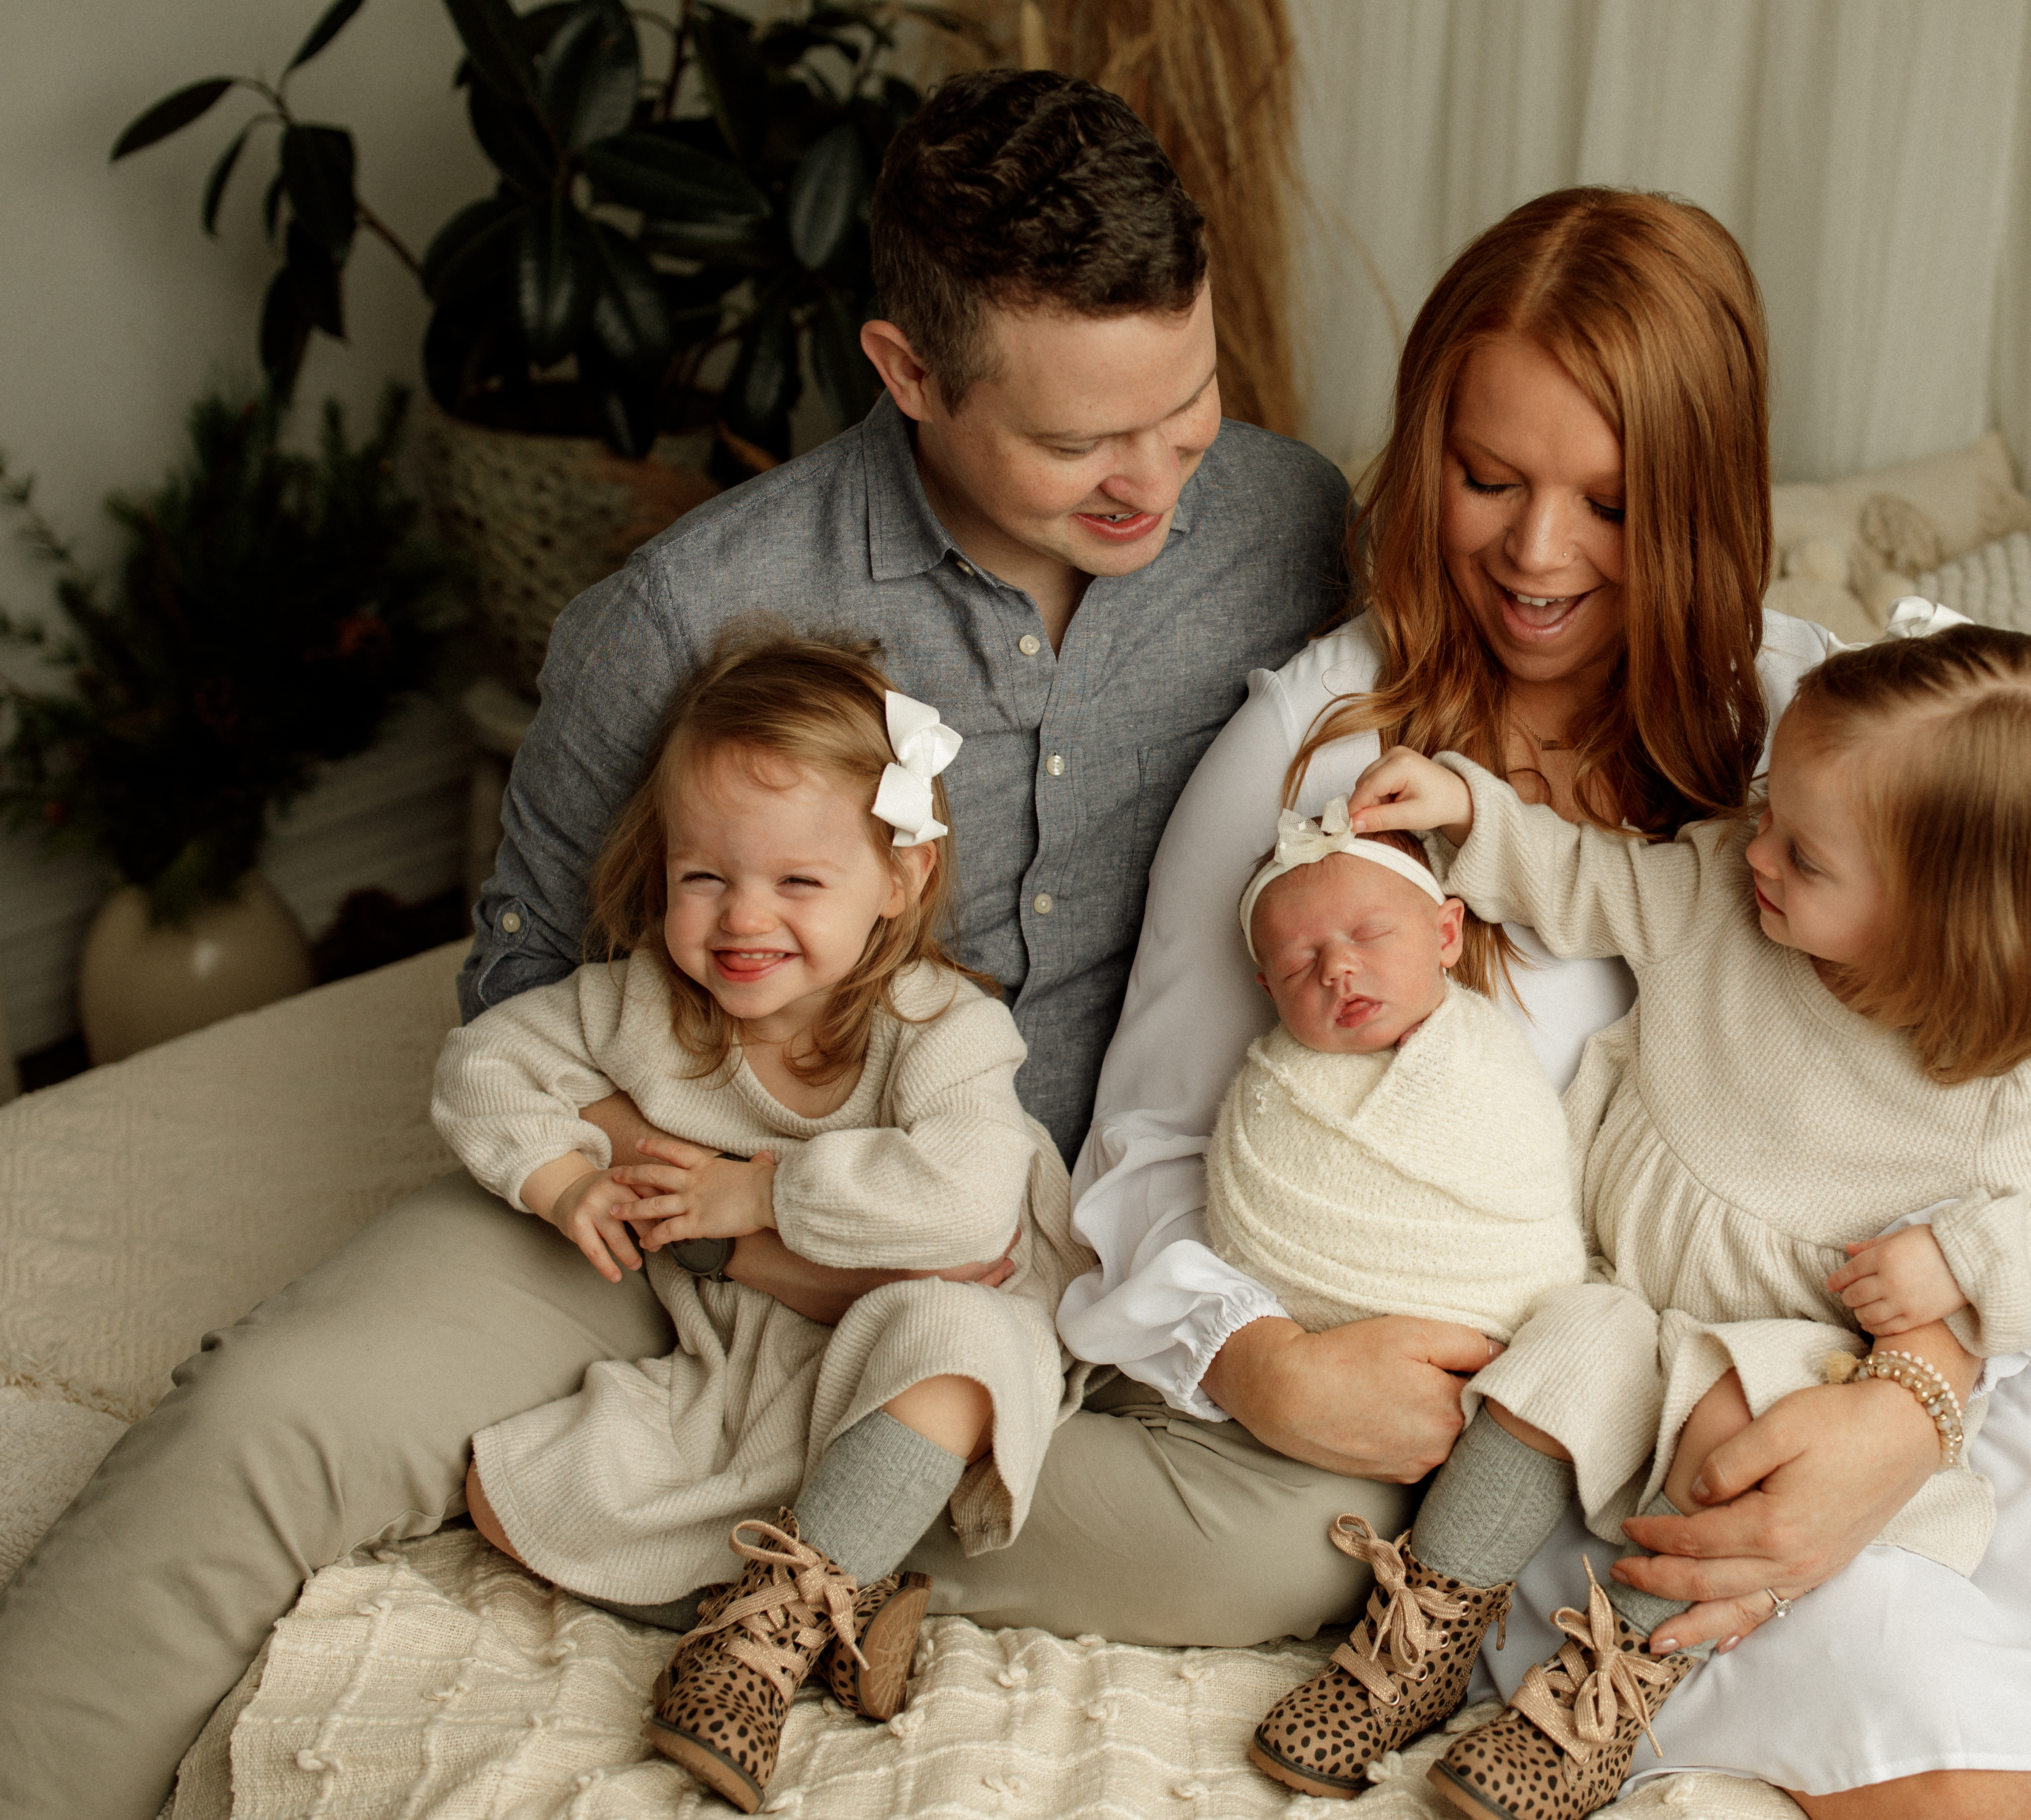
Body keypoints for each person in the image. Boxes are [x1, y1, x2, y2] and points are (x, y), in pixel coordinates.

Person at [0, 69, 1360, 1820]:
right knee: (271, 1412)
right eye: (1078, 442)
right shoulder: (687, 610)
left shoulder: (1289, 526)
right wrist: (743, 1227)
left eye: (1185, 407)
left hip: (1024, 1247)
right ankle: (789, 1525)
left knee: (1296, 1541)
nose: (1153, 479)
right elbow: (526, 998)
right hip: (683, 1205)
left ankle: (680, 1512)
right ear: (905, 372)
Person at [1069, 188, 2031, 1817]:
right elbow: (1134, 1165)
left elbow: (1989, 1073)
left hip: (1941, 1353)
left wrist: (1916, 1397)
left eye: (1606, 502)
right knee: (1970, 1788)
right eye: (1485, 477)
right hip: (1633, 1409)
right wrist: (1258, 1362)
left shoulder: (1806, 707)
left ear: (1698, 495)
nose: (1535, 554)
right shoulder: (1321, 754)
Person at [434, 632, 1094, 1810]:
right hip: (752, 1342)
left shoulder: (941, 1024)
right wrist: (564, 1179)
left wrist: (759, 1188)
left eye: (798, 881)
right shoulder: (645, 1005)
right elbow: (483, 1063)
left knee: (964, 1344)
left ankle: (766, 1631)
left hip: (935, 1333)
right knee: (511, 1493)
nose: (743, 918)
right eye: (705, 877)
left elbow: (967, 1210)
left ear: (896, 880)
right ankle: (844, 1580)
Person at [1206, 803, 1583, 1346]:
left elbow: (1531, 1169)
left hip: (1505, 1323)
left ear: (1446, 934)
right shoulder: (1272, 1087)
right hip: (1335, 1354)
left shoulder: (1486, 1053)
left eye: (1370, 933)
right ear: (1270, 992)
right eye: (1297, 965)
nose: (1336, 967)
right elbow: (1240, 1218)